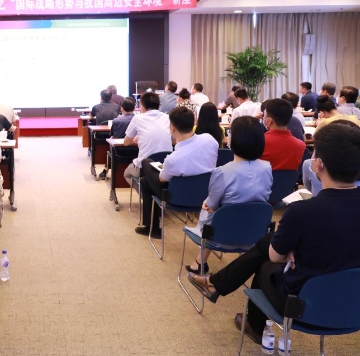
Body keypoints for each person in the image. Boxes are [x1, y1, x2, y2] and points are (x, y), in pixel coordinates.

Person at [187, 121, 360, 344]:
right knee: (269, 241)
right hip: (353, 303)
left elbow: (275, 257)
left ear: (318, 164)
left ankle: (248, 319)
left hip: (304, 303)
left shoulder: (301, 212)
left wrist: (289, 250)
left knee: (265, 261)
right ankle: (215, 284)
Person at [186, 116, 272, 273]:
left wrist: (209, 203)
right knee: (223, 211)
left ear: (235, 140)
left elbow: (212, 205)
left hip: (220, 237)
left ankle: (200, 262)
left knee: (211, 211)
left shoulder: (222, 172)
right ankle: (199, 262)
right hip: (255, 234)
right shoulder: (267, 168)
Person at [135, 107, 219, 238]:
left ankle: (153, 228)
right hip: (206, 194)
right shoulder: (210, 140)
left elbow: (162, 179)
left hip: (178, 198)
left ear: (172, 128)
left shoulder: (173, 159)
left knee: (146, 164)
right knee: (145, 182)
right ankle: (151, 227)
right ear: (193, 122)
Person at [122, 92, 172, 182]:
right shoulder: (167, 117)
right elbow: (174, 140)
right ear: (158, 105)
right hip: (165, 165)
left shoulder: (138, 118)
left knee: (127, 174)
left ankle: (142, 189)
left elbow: (126, 142)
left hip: (144, 167)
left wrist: (137, 138)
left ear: (142, 106)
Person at [96, 97, 137, 181]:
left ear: (121, 108)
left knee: (111, 145)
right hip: (137, 149)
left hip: (120, 150)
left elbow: (112, 135)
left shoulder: (117, 120)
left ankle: (105, 170)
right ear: (134, 108)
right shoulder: (139, 120)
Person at [260, 98, 307, 170]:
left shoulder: (259, 143)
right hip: (292, 177)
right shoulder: (301, 146)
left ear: (269, 120)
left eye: (264, 115)